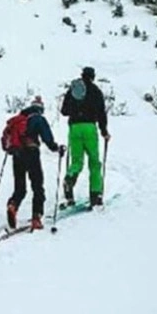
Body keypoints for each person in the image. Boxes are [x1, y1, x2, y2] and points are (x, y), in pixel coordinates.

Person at [5, 96, 64, 230]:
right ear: (40, 109)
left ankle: (13, 205)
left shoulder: (18, 120)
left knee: (20, 187)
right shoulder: (38, 119)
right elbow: (47, 138)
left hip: (17, 154)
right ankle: (36, 218)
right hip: (32, 153)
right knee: (37, 186)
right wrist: (56, 148)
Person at [60, 66, 110, 208]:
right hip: (89, 128)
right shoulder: (96, 91)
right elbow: (101, 113)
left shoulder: (73, 90)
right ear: (93, 76)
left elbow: (64, 111)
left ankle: (69, 179)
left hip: (74, 128)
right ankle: (95, 195)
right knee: (94, 162)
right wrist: (104, 131)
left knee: (77, 161)